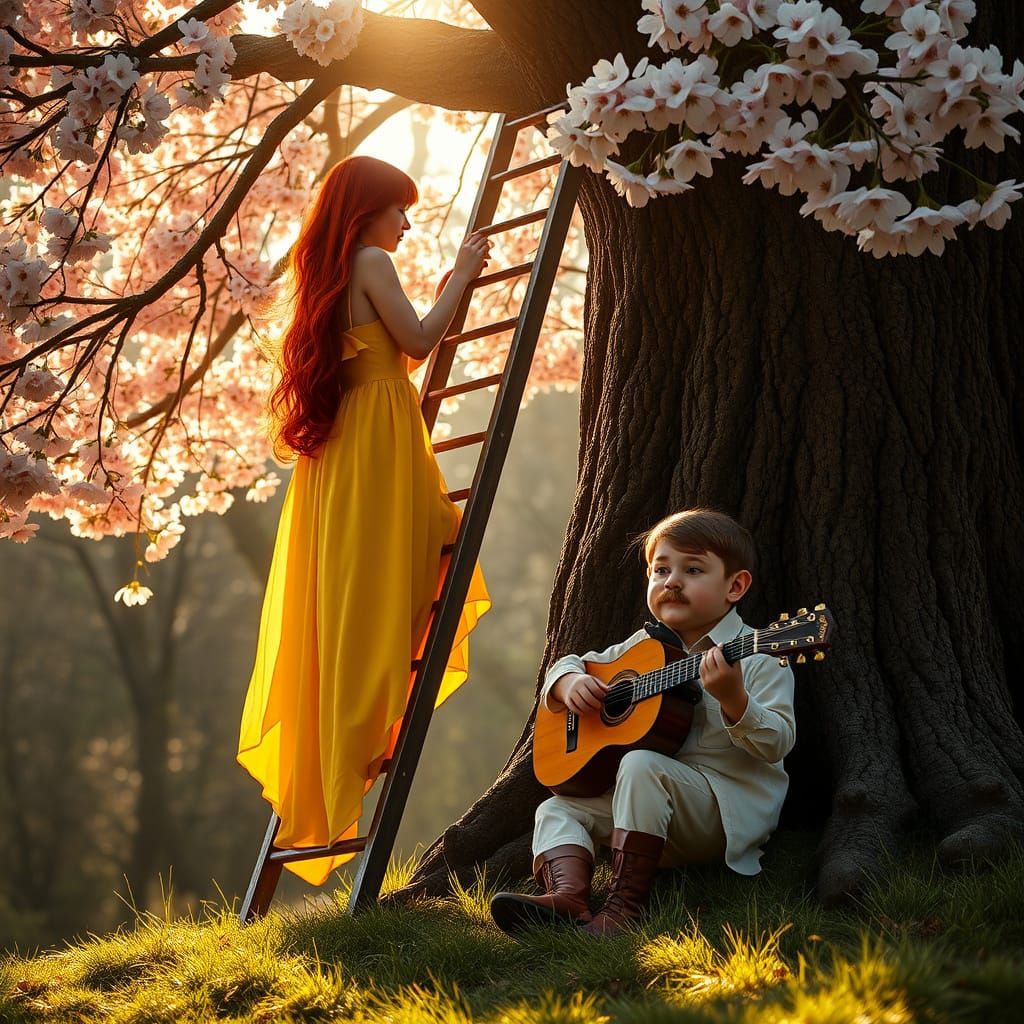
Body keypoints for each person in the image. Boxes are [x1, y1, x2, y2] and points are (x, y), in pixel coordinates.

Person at [238, 155, 492, 885]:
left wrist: (441, 288)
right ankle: (371, 713)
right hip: (378, 439)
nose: (408, 225)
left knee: (361, 585)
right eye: (399, 210)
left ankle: (360, 715)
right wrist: (462, 279)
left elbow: (385, 353)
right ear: (368, 212)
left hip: (343, 450)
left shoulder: (326, 270)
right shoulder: (372, 257)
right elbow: (414, 344)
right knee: (423, 556)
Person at [490, 508, 795, 937]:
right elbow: (572, 663)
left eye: (693, 570)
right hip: (648, 821)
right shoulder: (643, 649)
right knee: (557, 807)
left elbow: (778, 742)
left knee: (640, 764)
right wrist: (568, 683)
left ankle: (623, 910)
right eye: (661, 570)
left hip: (722, 813)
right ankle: (568, 898)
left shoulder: (758, 655)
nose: (672, 581)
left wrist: (734, 698)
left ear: (736, 586)